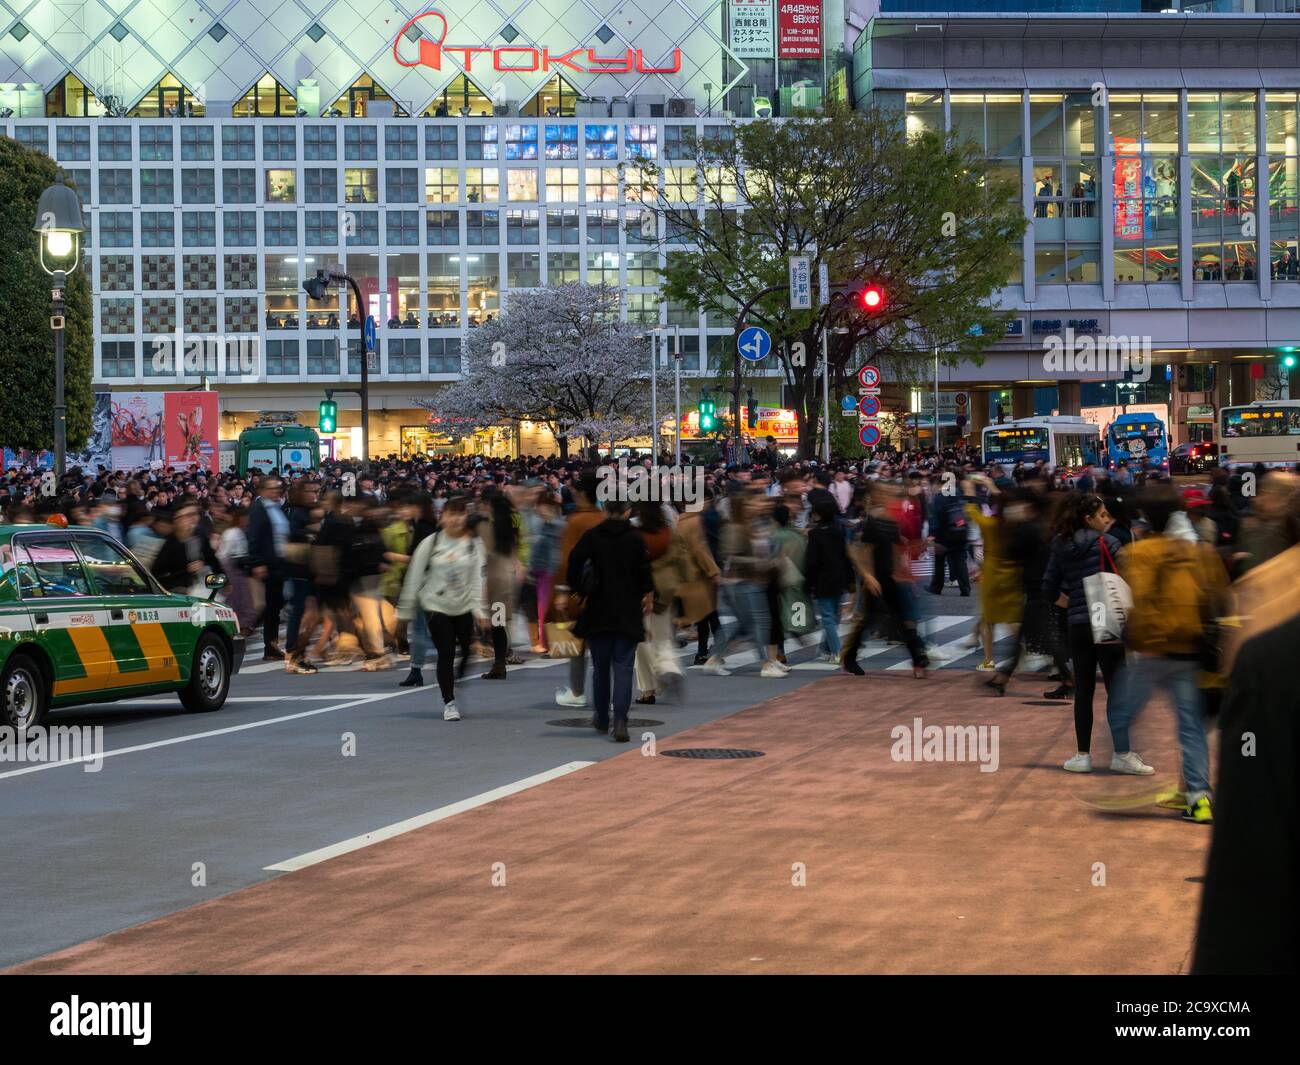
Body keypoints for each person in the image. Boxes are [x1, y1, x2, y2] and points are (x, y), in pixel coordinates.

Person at [1111, 488, 1229, 822]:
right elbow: (1216, 596)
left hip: (1151, 651)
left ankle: (1118, 763)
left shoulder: (1138, 553)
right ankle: (1199, 799)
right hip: (1188, 649)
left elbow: (1140, 599)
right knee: (1190, 728)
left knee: (1122, 713)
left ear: (1145, 518)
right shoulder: (1198, 553)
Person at [1043, 493, 1139, 774]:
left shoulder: (1061, 544)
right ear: (1089, 519)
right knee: (1116, 689)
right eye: (1102, 515)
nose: (1106, 519)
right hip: (1107, 620)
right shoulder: (1108, 543)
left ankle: (1082, 754)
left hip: (1078, 625)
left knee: (1083, 690)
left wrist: (1072, 602)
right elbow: (1132, 577)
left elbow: (1048, 588)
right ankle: (1122, 753)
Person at [564, 498, 653, 742]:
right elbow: (646, 573)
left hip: (598, 608)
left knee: (600, 668)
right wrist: (645, 593)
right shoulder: (635, 538)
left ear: (605, 510)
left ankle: (602, 717)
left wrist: (578, 589)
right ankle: (621, 719)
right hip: (628, 609)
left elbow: (574, 561)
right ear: (627, 512)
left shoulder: (593, 536)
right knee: (624, 667)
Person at [396, 497, 485, 721]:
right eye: (450, 514)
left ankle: (458, 674)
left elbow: (478, 579)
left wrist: (480, 610)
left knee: (467, 650)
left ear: (466, 516)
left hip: (464, 604)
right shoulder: (431, 542)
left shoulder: (475, 544)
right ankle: (449, 702)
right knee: (445, 651)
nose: (455, 519)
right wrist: (404, 612)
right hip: (435, 604)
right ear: (442, 516)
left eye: (460, 514)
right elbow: (414, 577)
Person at [552, 469, 605, 706]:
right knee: (605, 646)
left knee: (578, 643)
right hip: (606, 591)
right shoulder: (603, 518)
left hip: (580, 593)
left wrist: (562, 592)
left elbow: (566, 560)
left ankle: (576, 691)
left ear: (583, 493)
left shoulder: (574, 522)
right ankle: (607, 693)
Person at [803, 498, 852, 664]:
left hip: (822, 579)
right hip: (838, 578)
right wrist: (849, 579)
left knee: (828, 617)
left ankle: (836, 651)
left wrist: (808, 584)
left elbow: (811, 561)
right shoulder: (838, 531)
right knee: (834, 617)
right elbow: (845, 556)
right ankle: (826, 648)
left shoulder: (815, 534)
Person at [246, 475, 289, 661]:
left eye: (277, 488)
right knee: (271, 607)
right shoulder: (258, 508)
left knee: (275, 605)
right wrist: (257, 562)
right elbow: (254, 536)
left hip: (280, 562)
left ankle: (270, 644)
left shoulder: (277, 507)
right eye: (270, 488)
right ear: (261, 490)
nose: (274, 492)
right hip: (268, 564)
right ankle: (269, 646)